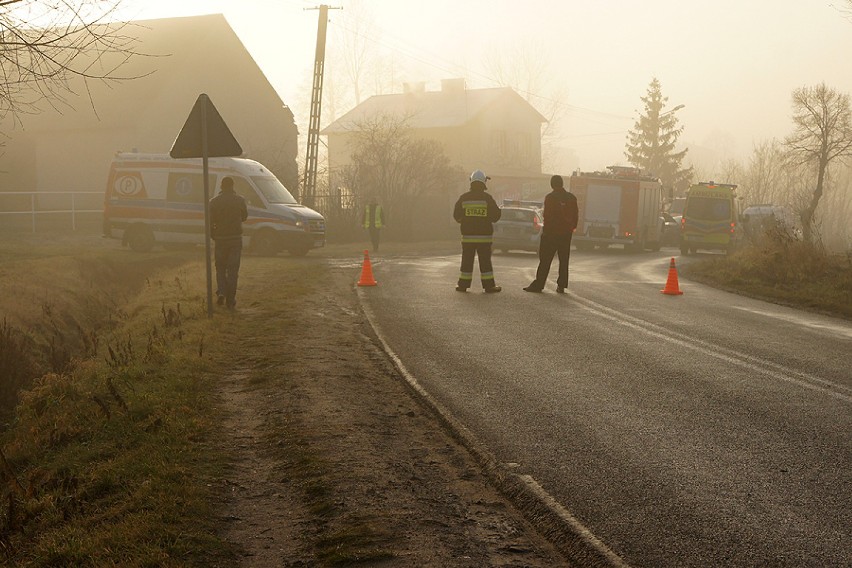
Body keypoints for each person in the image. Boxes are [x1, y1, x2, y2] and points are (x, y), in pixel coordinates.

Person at [524, 174, 578, 294]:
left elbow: (547, 216)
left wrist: (546, 233)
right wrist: (571, 228)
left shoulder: (550, 197)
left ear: (552, 184)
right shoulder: (571, 198)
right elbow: (575, 217)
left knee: (545, 260)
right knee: (564, 260)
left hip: (552, 234)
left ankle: (539, 284)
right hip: (566, 235)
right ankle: (561, 285)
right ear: (562, 184)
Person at [453, 170, 502, 293]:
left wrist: (464, 221)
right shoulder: (487, 199)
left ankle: (463, 285)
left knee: (466, 262)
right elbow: (496, 216)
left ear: (471, 182)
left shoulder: (464, 198)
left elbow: (456, 215)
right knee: (485, 262)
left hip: (468, 238)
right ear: (483, 182)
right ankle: (489, 286)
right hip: (484, 239)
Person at [209, 176, 248, 308]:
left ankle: (221, 292)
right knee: (233, 269)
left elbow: (210, 221)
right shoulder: (240, 200)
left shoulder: (214, 202)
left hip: (220, 239)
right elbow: (244, 217)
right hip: (235, 239)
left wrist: (212, 234)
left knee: (220, 268)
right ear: (232, 186)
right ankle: (230, 300)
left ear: (221, 186)